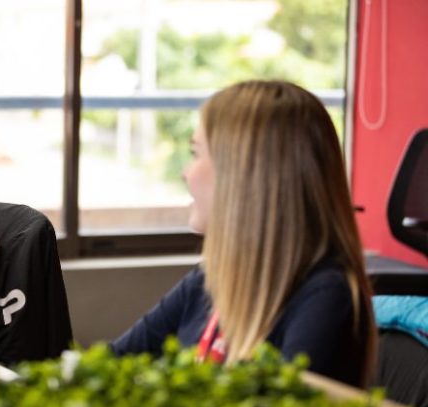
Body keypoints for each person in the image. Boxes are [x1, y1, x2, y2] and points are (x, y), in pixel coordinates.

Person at [111, 80, 376, 388]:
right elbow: (114, 363)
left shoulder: (325, 300)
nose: (187, 172)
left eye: (197, 154)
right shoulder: (208, 280)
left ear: (243, 177)